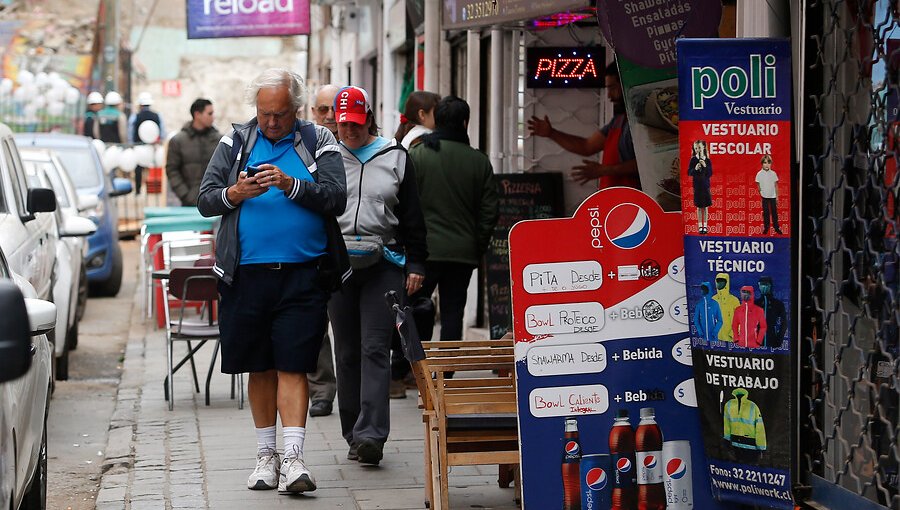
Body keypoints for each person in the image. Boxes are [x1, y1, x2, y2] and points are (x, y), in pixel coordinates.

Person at [197, 68, 347, 494]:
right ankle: (266, 457)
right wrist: (237, 193)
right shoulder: (235, 142)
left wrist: (290, 184)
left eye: (280, 114)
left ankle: (294, 459)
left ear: (295, 109)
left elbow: (336, 197)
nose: (272, 123)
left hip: (303, 275)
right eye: (265, 114)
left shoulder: (319, 141)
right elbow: (206, 199)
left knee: (294, 364)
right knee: (258, 366)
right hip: (245, 276)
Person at [330, 85, 428, 466]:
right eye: (343, 125)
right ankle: (353, 432)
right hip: (338, 265)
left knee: (376, 347)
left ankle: (372, 436)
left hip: (385, 261)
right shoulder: (326, 158)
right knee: (347, 351)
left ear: (369, 118)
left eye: (355, 123)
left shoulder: (395, 156)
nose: (349, 131)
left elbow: (414, 216)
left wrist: (417, 263)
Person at [409, 95, 499, 346]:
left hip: (424, 252)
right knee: (453, 313)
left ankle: (418, 366)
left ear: (436, 120)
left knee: (417, 307)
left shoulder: (418, 155)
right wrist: (476, 244)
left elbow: (405, 205)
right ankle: (446, 376)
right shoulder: (478, 161)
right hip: (462, 252)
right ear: (465, 122)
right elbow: (490, 211)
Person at [526, 63, 640, 189]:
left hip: (639, 200)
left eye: (612, 88)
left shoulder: (643, 120)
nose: (609, 96)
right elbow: (587, 146)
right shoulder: (618, 121)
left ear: (626, 84)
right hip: (616, 200)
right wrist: (551, 133)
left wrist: (605, 170)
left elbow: (645, 163)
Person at [305, 83, 341, 417]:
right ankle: (322, 390)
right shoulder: (305, 147)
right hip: (319, 250)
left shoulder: (367, 145)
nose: (329, 117)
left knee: (354, 330)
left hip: (363, 253)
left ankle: (359, 387)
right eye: (322, 110)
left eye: (335, 109)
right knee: (316, 324)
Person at [166, 98, 220, 206]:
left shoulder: (219, 140)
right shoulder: (178, 141)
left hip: (216, 202)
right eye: (209, 113)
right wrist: (186, 195)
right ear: (197, 114)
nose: (213, 117)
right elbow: (172, 170)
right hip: (189, 204)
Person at [128, 92, 165, 195]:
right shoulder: (157, 115)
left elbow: (131, 131)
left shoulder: (135, 116)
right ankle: (157, 190)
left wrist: (131, 144)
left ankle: (138, 190)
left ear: (140, 104)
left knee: (138, 168)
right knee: (155, 166)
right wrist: (160, 141)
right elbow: (162, 130)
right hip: (153, 146)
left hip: (139, 146)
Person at [755, 276, 787, 349]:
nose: (763, 287)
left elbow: (784, 323)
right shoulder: (755, 304)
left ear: (770, 286)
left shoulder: (778, 304)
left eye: (765, 284)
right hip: (757, 342)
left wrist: (779, 339)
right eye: (761, 284)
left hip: (772, 339)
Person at [688, 140, 713, 234]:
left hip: (705, 186)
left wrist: (705, 166)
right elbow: (689, 172)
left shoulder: (707, 160)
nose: (698, 150)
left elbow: (710, 173)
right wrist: (695, 169)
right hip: (697, 186)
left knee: (705, 207)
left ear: (703, 147)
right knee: (698, 207)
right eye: (696, 148)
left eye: (699, 147)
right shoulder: (693, 160)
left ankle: (705, 226)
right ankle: (700, 226)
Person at [755, 154, 782, 235]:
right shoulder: (759, 174)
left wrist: (777, 197)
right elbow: (758, 184)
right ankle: (766, 228)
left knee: (774, 212)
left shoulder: (773, 173)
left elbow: (776, 185)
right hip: (764, 197)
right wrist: (761, 193)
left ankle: (776, 227)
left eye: (769, 163)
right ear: (762, 163)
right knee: (766, 213)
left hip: (773, 196)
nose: (767, 165)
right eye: (765, 163)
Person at [713, 272, 740, 342]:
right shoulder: (713, 299)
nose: (719, 283)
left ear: (727, 283)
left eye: (722, 281)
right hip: (715, 338)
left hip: (729, 339)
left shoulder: (734, 300)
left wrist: (733, 334)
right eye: (718, 281)